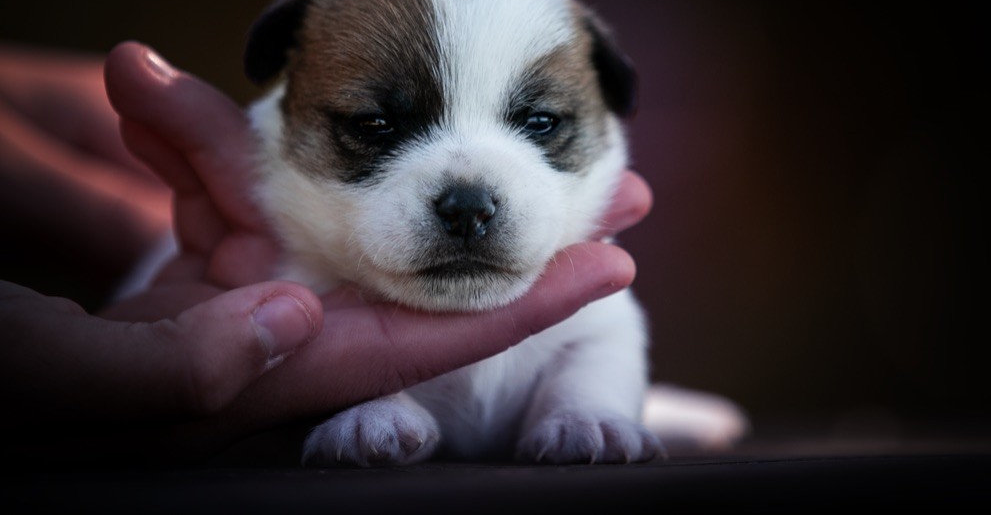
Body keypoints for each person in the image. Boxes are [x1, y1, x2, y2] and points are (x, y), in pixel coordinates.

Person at [0, 41, 653, 462]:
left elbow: (603, 338)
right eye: (375, 127)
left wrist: (586, 407)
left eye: (538, 122)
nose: (468, 198)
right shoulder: (243, 245)